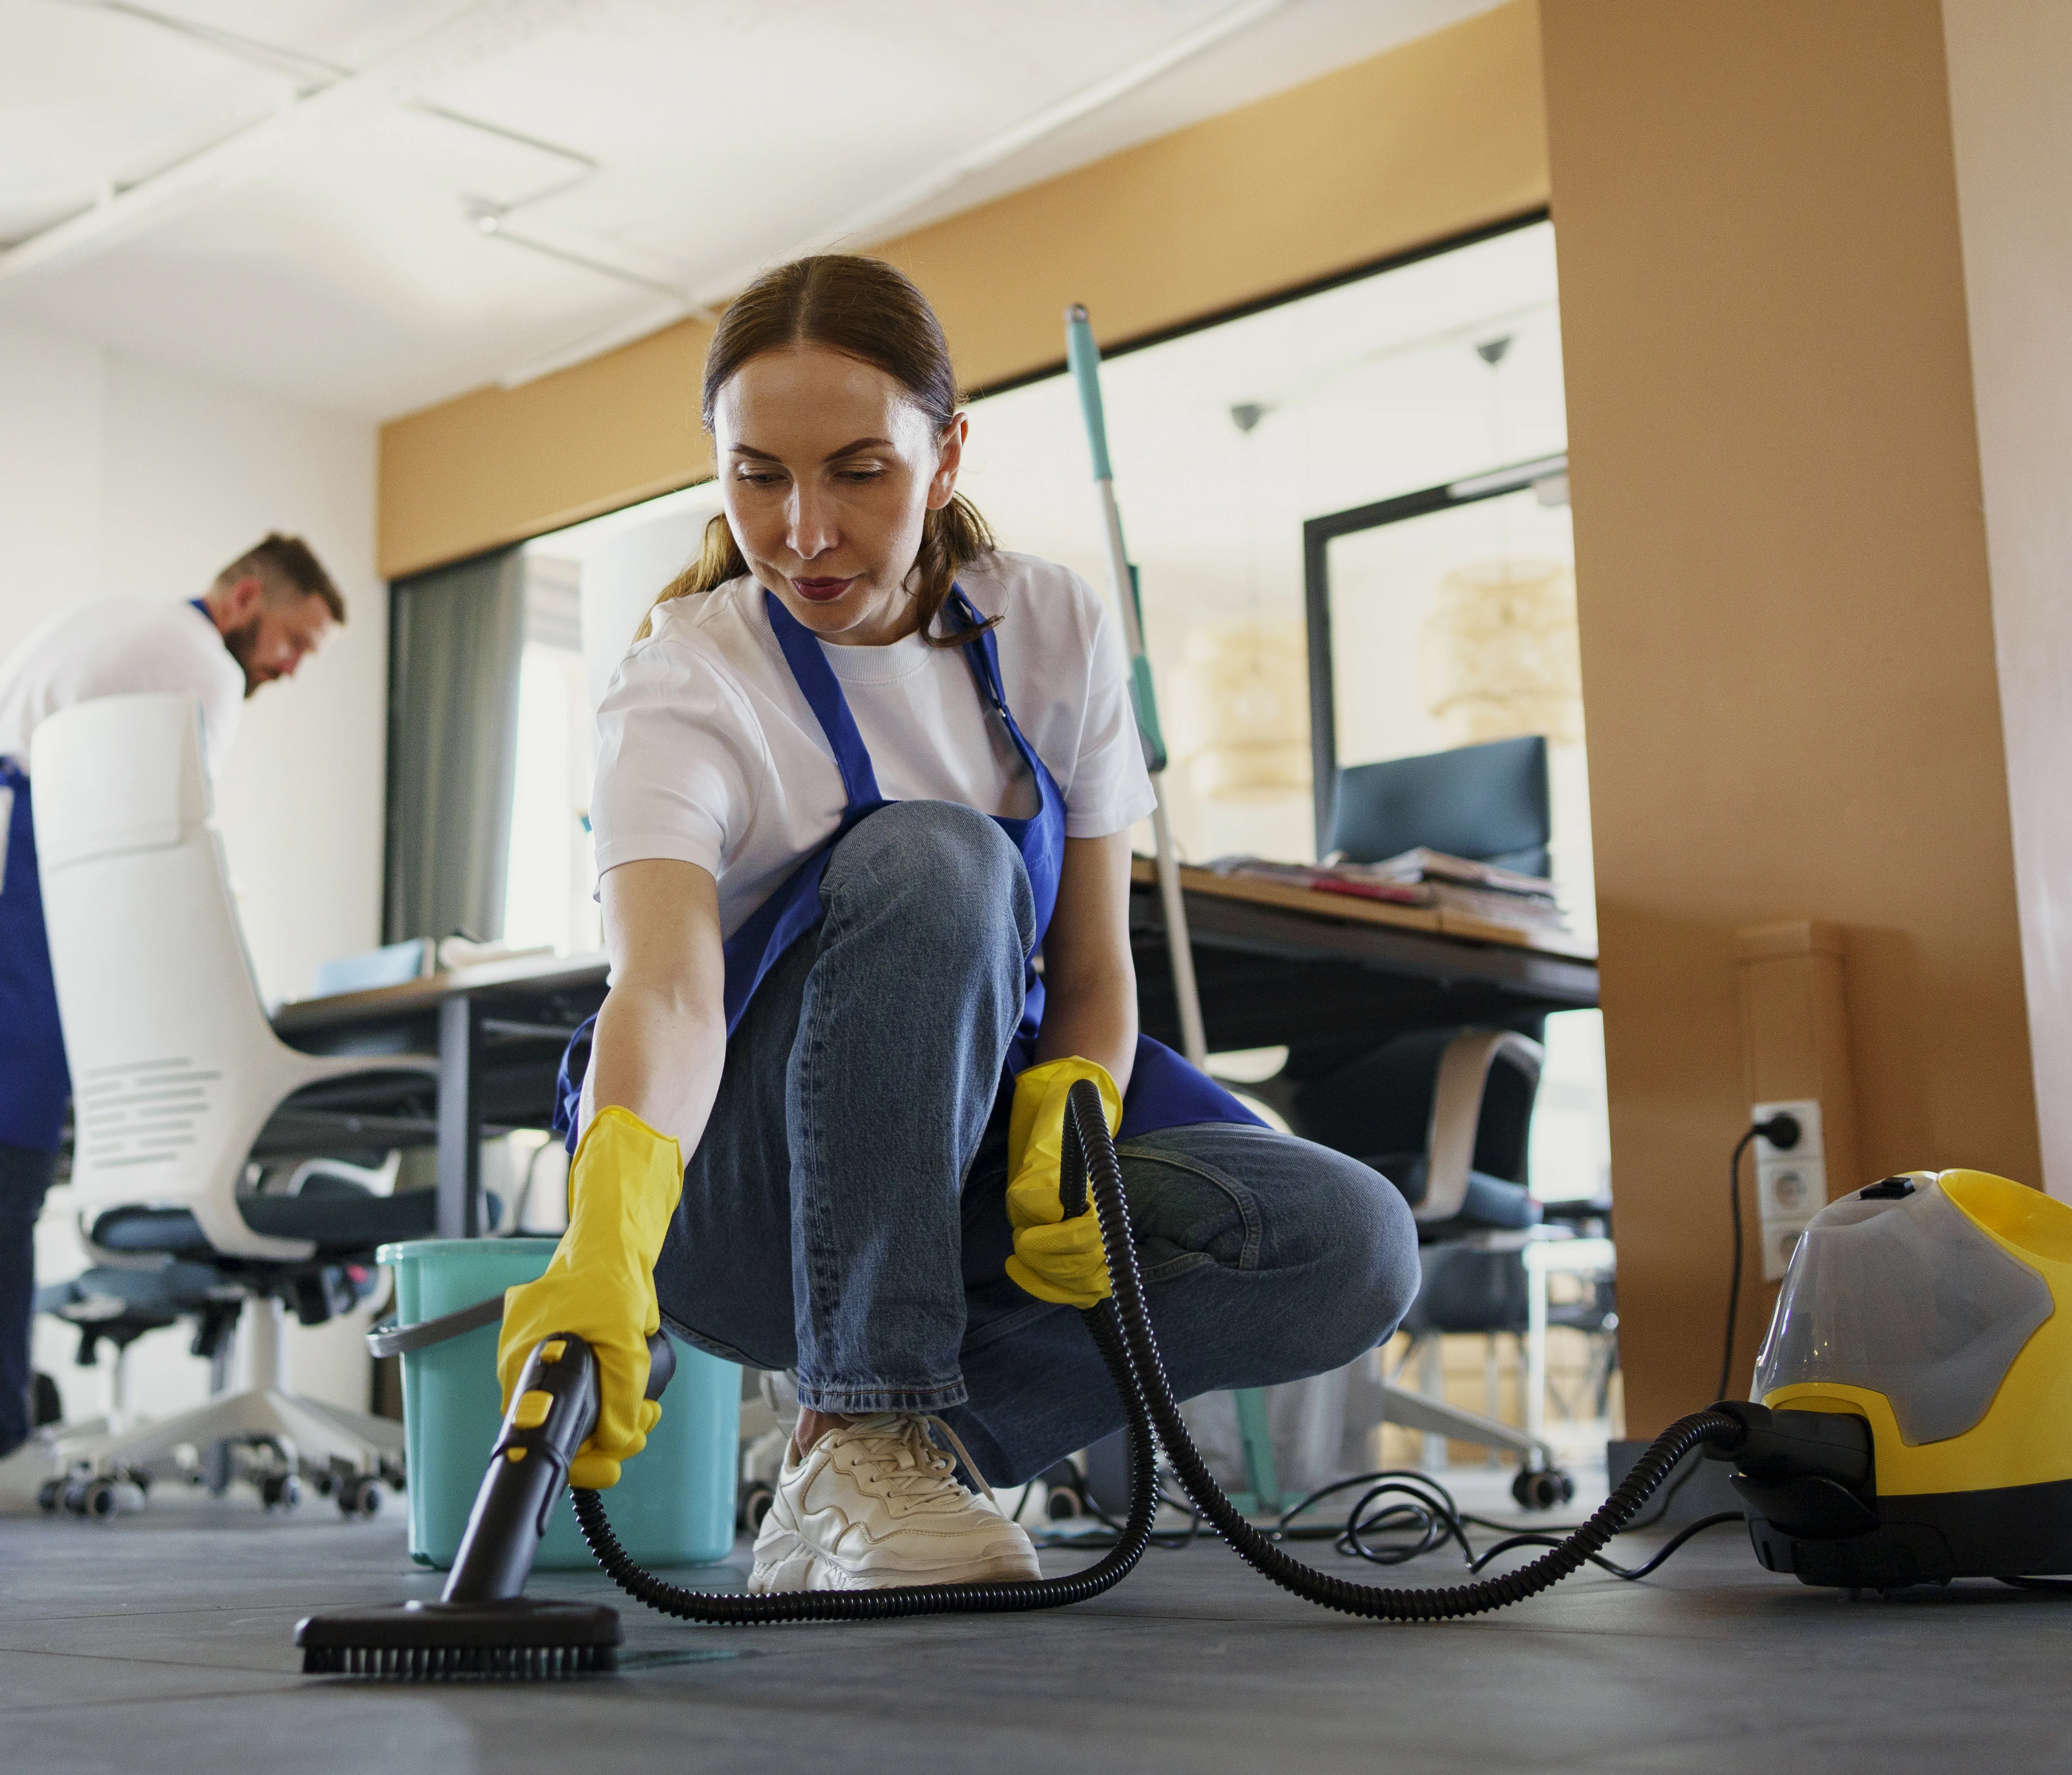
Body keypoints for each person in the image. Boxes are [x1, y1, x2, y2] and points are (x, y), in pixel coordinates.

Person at [505, 257, 1419, 1590]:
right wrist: (607, 1232)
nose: (805, 529)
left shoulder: (1047, 625)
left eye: (858, 471)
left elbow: (1099, 970)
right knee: (943, 856)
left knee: (1350, 1244)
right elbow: (668, 992)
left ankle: (881, 1450)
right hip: (740, 1198)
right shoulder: (686, 684)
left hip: (963, 1163)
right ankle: (864, 1414)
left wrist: (1082, 1101)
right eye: (757, 475)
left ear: (945, 458)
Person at [0, 535, 344, 1514]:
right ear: (249, 596)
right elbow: (164, 852)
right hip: (0, 889)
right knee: (7, 1163)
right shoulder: (204, 667)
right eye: (295, 639)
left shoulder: (107, 620)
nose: (293, 667)